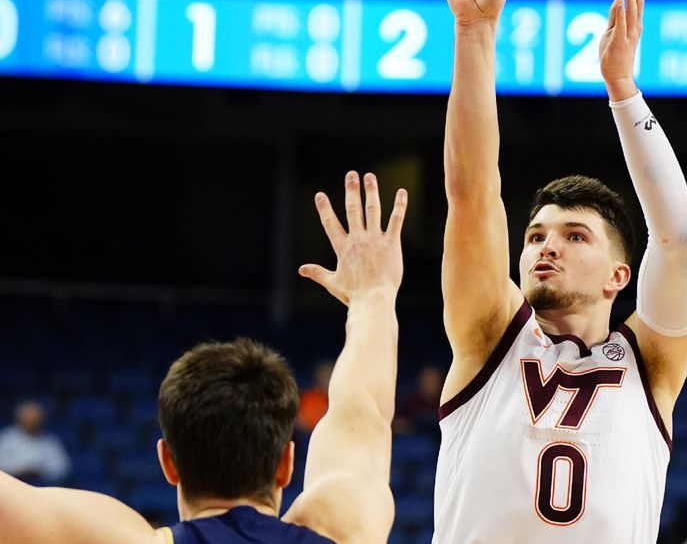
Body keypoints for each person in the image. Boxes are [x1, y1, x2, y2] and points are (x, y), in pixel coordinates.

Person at [431, 0, 687, 541]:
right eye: (534, 236)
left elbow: (680, 239)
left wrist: (623, 90)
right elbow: (472, 191)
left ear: (617, 276)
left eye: (574, 236)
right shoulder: (489, 335)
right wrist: (473, 32)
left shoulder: (650, 366)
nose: (544, 247)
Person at [0, 171, 408, 544]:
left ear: (168, 462)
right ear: (286, 462)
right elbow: (365, 413)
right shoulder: (342, 529)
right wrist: (373, 295)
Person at [0, 400, 71, 485]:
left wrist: (39, 471)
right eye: (27, 416)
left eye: (35, 416)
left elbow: (62, 469)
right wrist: (20, 470)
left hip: (42, 487)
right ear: (19, 417)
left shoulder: (51, 442)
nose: (32, 420)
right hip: (11, 485)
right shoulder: (6, 438)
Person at [296, 360, 334, 433]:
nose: (326, 381)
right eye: (323, 377)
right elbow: (299, 422)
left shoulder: (342, 399)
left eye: (329, 377)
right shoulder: (309, 398)